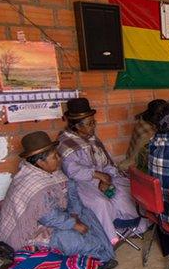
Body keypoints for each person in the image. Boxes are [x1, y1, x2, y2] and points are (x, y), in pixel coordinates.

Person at [0, 131, 114, 266]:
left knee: (86, 215)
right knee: (72, 239)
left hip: (52, 218)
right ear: (40, 162)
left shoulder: (52, 172)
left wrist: (75, 214)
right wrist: (74, 224)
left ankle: (101, 252)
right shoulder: (31, 182)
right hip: (29, 233)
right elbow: (48, 217)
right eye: (55, 156)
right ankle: (99, 258)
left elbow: (72, 193)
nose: (59, 158)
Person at [57, 98, 145, 247]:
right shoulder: (65, 144)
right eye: (89, 123)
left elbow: (106, 163)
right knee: (101, 203)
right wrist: (98, 176)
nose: (93, 126)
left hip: (103, 178)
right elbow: (72, 171)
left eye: (93, 122)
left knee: (130, 190)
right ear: (77, 126)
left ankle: (132, 227)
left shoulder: (92, 139)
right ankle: (110, 239)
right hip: (81, 183)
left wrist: (108, 178)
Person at [118, 98, 165, 173]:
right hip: (137, 168)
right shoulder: (149, 135)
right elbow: (134, 161)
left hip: (134, 160)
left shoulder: (143, 121)